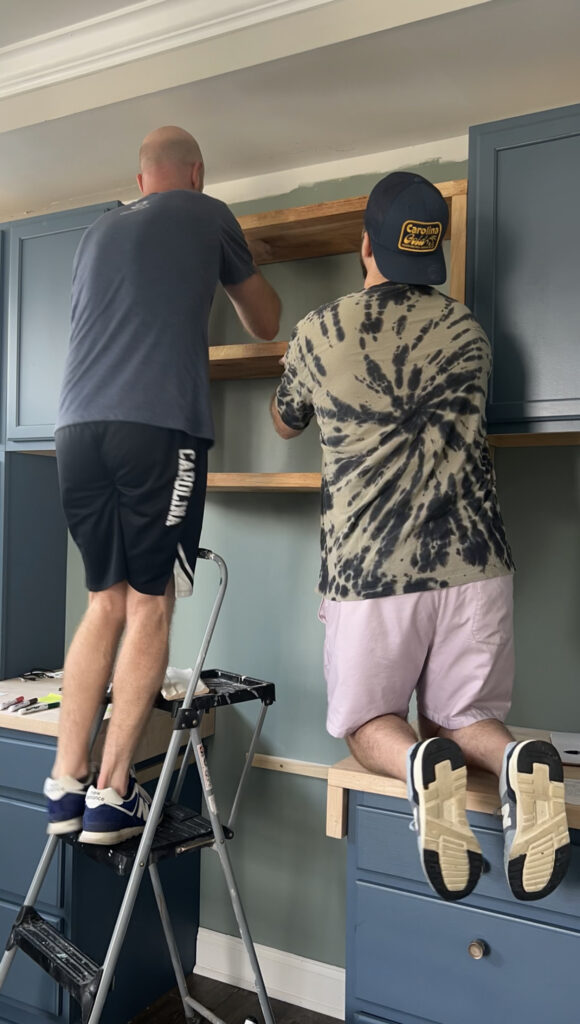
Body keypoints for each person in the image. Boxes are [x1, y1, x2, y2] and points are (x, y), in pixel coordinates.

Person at [271, 171, 569, 902]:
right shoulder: (470, 331)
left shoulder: (317, 331)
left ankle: (416, 768)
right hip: (478, 564)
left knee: (370, 723)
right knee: (464, 717)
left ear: (364, 244)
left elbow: (285, 420)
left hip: (372, 573)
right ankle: (518, 758)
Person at [45, 125, 281, 845]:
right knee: (151, 605)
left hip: (75, 430)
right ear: (196, 173)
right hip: (156, 430)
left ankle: (65, 785)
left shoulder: (95, 232)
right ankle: (113, 794)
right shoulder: (208, 213)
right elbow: (267, 322)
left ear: (141, 180)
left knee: (103, 600)